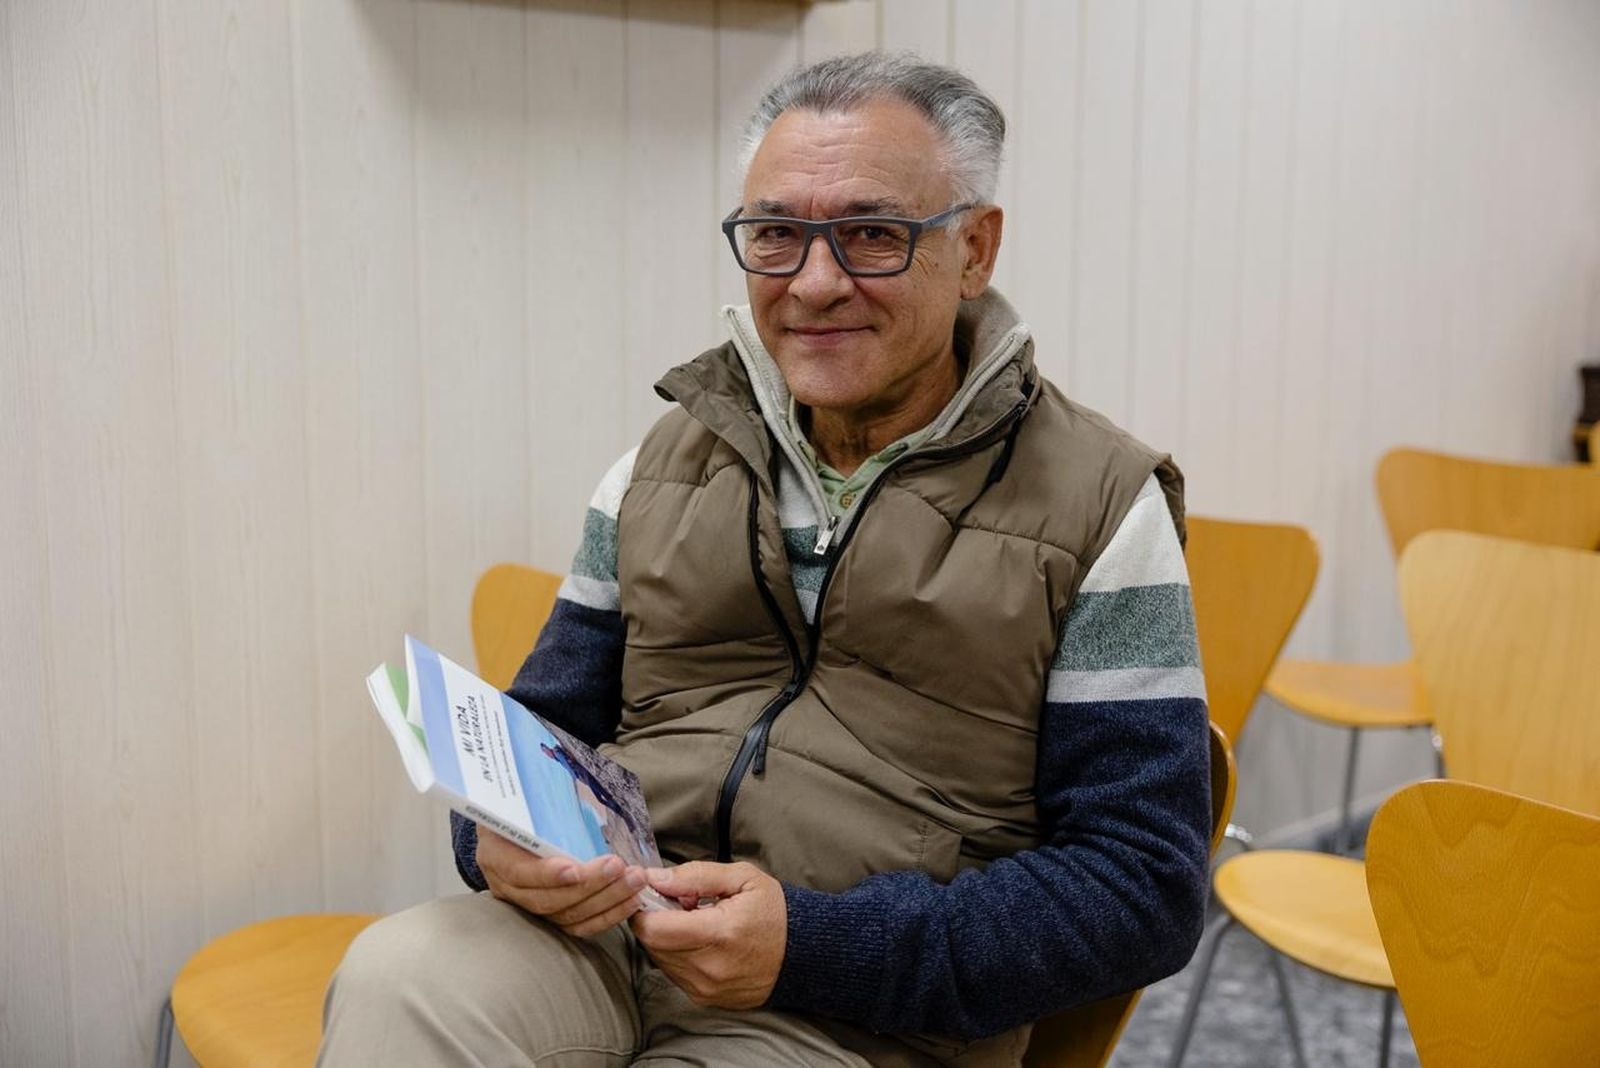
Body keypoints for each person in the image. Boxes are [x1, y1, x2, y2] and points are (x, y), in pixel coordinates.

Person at [320, 51, 1210, 1068]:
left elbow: (1141, 885)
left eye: (871, 235)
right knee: (398, 977)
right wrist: (496, 845)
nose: (815, 283)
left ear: (974, 249)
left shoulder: (1101, 506)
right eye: (777, 236)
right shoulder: (661, 465)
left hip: (860, 1013)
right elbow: (549, 729)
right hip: (607, 942)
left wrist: (814, 948)